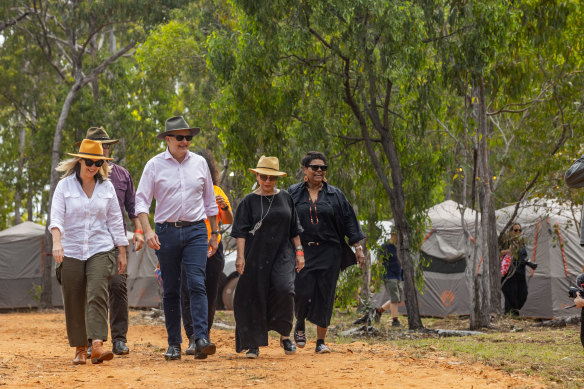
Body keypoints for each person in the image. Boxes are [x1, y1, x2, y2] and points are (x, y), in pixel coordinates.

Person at [135, 116, 219, 361]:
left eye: (188, 138)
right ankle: (174, 344)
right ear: (168, 139)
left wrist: (214, 233)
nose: (185, 142)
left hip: (196, 231)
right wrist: (147, 231)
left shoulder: (200, 163)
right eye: (180, 137)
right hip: (166, 232)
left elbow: (209, 201)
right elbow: (141, 201)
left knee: (196, 282)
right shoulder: (154, 165)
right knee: (171, 288)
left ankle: (201, 338)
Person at [49, 139, 129, 365]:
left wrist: (121, 251)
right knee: (73, 298)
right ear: (79, 160)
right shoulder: (64, 186)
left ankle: (97, 345)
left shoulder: (107, 187)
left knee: (97, 291)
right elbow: (56, 218)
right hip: (71, 248)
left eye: (97, 162)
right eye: (89, 161)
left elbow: (115, 220)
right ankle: (80, 348)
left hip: (100, 247)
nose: (93, 166)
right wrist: (57, 242)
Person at [288, 151, 365, 354]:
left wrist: (358, 248)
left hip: (330, 251)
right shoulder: (293, 194)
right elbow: (284, 221)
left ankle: (320, 341)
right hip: (302, 252)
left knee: (325, 294)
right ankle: (300, 322)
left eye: (323, 168)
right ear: (305, 169)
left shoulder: (335, 195)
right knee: (301, 291)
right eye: (315, 167)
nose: (320, 170)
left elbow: (350, 221)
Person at [79, 127, 144, 357]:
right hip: (86, 243)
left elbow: (132, 208)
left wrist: (138, 230)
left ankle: (119, 339)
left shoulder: (122, 175)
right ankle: (90, 340)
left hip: (115, 242)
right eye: (99, 145)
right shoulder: (82, 174)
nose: (105, 149)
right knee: (91, 291)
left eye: (107, 145)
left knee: (118, 285)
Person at [231, 156, 304, 359]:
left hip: (283, 253)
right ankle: (253, 343)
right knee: (255, 295)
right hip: (255, 255)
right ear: (257, 175)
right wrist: (240, 257)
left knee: (285, 289)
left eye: (272, 178)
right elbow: (240, 232)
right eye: (263, 177)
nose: (267, 181)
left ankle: (284, 336)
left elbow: (294, 229)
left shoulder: (286, 198)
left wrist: (299, 252)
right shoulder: (248, 201)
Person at [181, 149, 233, 355]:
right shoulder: (184, 189)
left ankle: (204, 335)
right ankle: (192, 337)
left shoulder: (216, 191)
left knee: (209, 294)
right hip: (188, 248)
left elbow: (228, 220)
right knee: (188, 292)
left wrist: (225, 208)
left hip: (213, 250)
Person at [356, 229, 403, 327]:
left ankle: (379, 311)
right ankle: (395, 321)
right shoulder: (385, 247)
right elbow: (379, 263)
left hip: (398, 275)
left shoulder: (399, 247)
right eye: (396, 234)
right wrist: (377, 278)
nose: (397, 237)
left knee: (398, 298)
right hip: (389, 275)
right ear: (392, 235)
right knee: (394, 298)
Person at [500, 223, 536, 315]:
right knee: (511, 295)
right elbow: (497, 252)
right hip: (509, 274)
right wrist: (508, 251)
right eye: (515, 230)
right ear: (511, 231)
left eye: (519, 230)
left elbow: (524, 256)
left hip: (520, 273)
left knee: (523, 294)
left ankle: (514, 312)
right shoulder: (506, 241)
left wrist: (530, 263)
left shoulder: (521, 242)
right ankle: (510, 315)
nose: (518, 232)